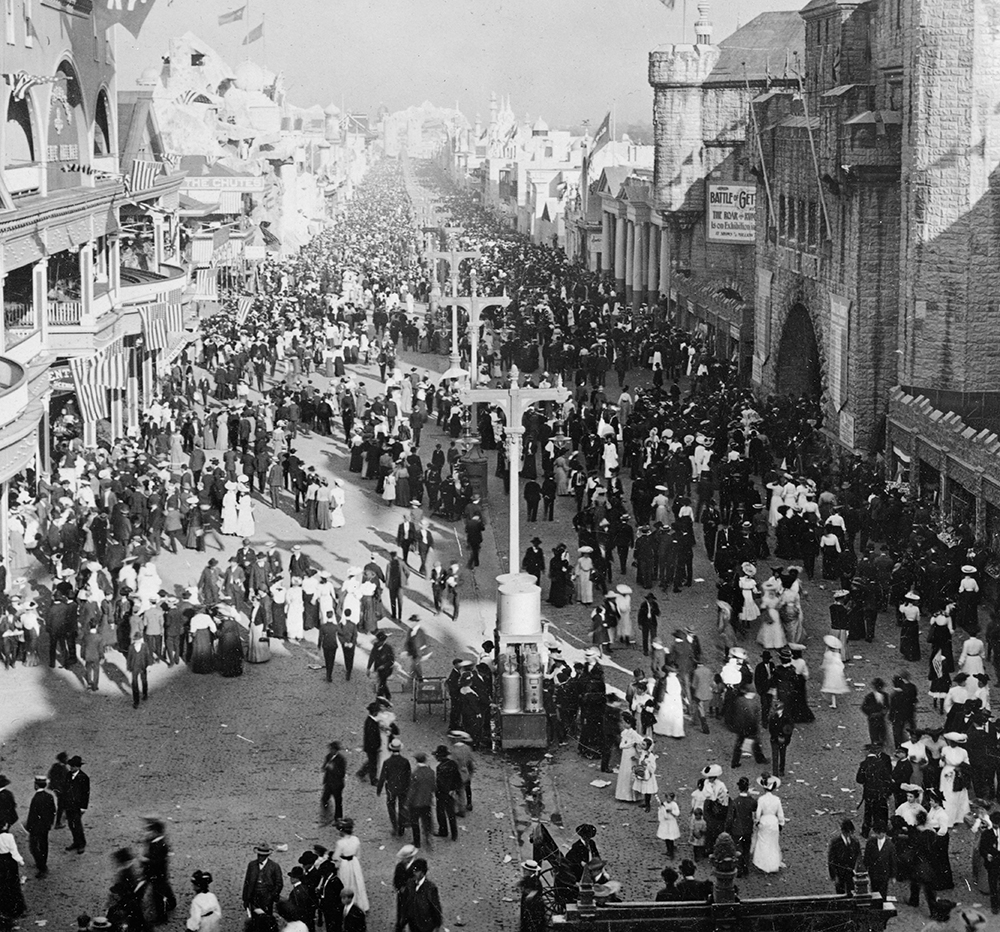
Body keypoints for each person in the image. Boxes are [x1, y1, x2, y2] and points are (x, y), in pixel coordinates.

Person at [144, 817, 178, 922]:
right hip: (160, 873)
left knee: (157, 896)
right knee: (164, 888)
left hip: (157, 872)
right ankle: (171, 903)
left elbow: (157, 861)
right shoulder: (158, 842)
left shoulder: (159, 845)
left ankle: (161, 917)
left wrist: (146, 860)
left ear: (155, 832)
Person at [377, 738, 411, 837]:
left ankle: (394, 826)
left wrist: (379, 788)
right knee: (402, 807)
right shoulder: (405, 761)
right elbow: (408, 775)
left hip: (391, 788)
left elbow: (383, 776)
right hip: (403, 788)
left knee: (391, 807)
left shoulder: (387, 762)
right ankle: (401, 827)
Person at [333, 818, 369, 912]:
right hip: (354, 862)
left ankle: (345, 904)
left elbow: (336, 857)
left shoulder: (340, 843)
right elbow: (358, 854)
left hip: (344, 864)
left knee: (345, 882)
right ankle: (360, 903)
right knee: (357, 883)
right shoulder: (356, 839)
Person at [399, 857, 443, 932]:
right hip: (413, 924)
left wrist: (437, 925)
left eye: (416, 871)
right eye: (414, 870)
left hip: (425, 926)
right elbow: (406, 903)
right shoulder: (410, 883)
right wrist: (403, 922)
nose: (414, 873)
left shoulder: (430, 888)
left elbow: (435, 907)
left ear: (422, 872)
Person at [752, 774, 785, 873]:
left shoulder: (761, 799)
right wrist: (781, 823)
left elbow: (758, 814)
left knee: (763, 842)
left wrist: (757, 822)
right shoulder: (776, 800)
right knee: (773, 843)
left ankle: (762, 863)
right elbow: (780, 814)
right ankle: (773, 863)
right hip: (773, 822)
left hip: (764, 821)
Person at [25, 775, 55, 877]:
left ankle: (41, 866)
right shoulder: (49, 796)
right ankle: (43, 864)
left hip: (36, 827)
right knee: (44, 845)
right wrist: (49, 823)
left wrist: (28, 827)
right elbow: (53, 811)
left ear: (36, 785)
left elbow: (32, 815)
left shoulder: (36, 798)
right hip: (45, 827)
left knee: (34, 847)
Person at [242, 843, 283, 916]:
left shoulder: (274, 867)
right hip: (253, 898)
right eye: (259, 855)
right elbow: (247, 882)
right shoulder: (252, 865)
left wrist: (271, 897)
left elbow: (279, 884)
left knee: (266, 920)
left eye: (262, 855)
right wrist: (245, 899)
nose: (260, 857)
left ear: (267, 855)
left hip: (267, 900)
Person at [406, 752, 436, 850]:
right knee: (427, 821)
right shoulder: (431, 772)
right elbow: (433, 787)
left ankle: (417, 841)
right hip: (427, 801)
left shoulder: (415, 773)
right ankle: (428, 837)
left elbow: (412, 790)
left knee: (415, 823)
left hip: (415, 803)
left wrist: (407, 802)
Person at [433, 745, 461, 840]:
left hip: (442, 793)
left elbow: (440, 782)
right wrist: (454, 790)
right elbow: (458, 778)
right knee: (451, 813)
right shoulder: (453, 764)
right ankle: (454, 833)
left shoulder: (440, 767)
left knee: (440, 812)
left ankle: (443, 830)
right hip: (451, 792)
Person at [63, 754, 89, 853]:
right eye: (71, 766)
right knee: (71, 824)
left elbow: (86, 794)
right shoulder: (68, 775)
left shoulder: (84, 777)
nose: (71, 768)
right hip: (69, 805)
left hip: (77, 806)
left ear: (78, 767)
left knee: (77, 825)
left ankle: (81, 843)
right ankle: (76, 842)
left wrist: (83, 807)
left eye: (73, 766)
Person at [828, 818, 861, 894]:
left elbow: (858, 858)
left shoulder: (855, 842)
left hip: (851, 874)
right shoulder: (835, 843)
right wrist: (834, 876)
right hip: (840, 875)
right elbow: (831, 861)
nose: (849, 835)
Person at [0, 819, 25, 919]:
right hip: (9, 862)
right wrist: (21, 861)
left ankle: (4, 908)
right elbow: (14, 851)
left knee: (2, 885)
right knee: (13, 885)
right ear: (5, 826)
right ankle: (17, 908)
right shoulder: (8, 837)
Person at [863, 824, 896, 899]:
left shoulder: (890, 845)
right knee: (874, 891)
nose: (877, 835)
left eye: (879, 833)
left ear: (884, 833)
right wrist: (865, 871)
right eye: (877, 833)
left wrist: (893, 875)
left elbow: (893, 861)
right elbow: (866, 858)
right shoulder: (870, 843)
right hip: (873, 872)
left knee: (883, 892)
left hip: (884, 873)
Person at [979, 811, 1000, 914]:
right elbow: (982, 848)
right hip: (993, 861)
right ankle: (994, 904)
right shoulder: (987, 834)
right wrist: (986, 855)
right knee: (993, 883)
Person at [321, 741, 347, 824]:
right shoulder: (328, 757)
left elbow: (342, 773)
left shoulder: (341, 760)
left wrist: (333, 769)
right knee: (325, 798)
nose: (331, 751)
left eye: (332, 749)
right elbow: (324, 767)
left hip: (337, 784)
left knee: (338, 801)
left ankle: (338, 818)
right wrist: (325, 767)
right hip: (328, 782)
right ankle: (325, 813)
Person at [126, 629, 152, 708]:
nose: (137, 641)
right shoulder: (131, 647)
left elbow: (148, 656)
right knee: (134, 683)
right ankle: (136, 701)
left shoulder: (144, 646)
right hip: (134, 667)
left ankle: (145, 694)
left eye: (138, 640)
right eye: (136, 640)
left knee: (144, 680)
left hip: (143, 666)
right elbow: (129, 658)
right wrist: (129, 667)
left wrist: (149, 665)